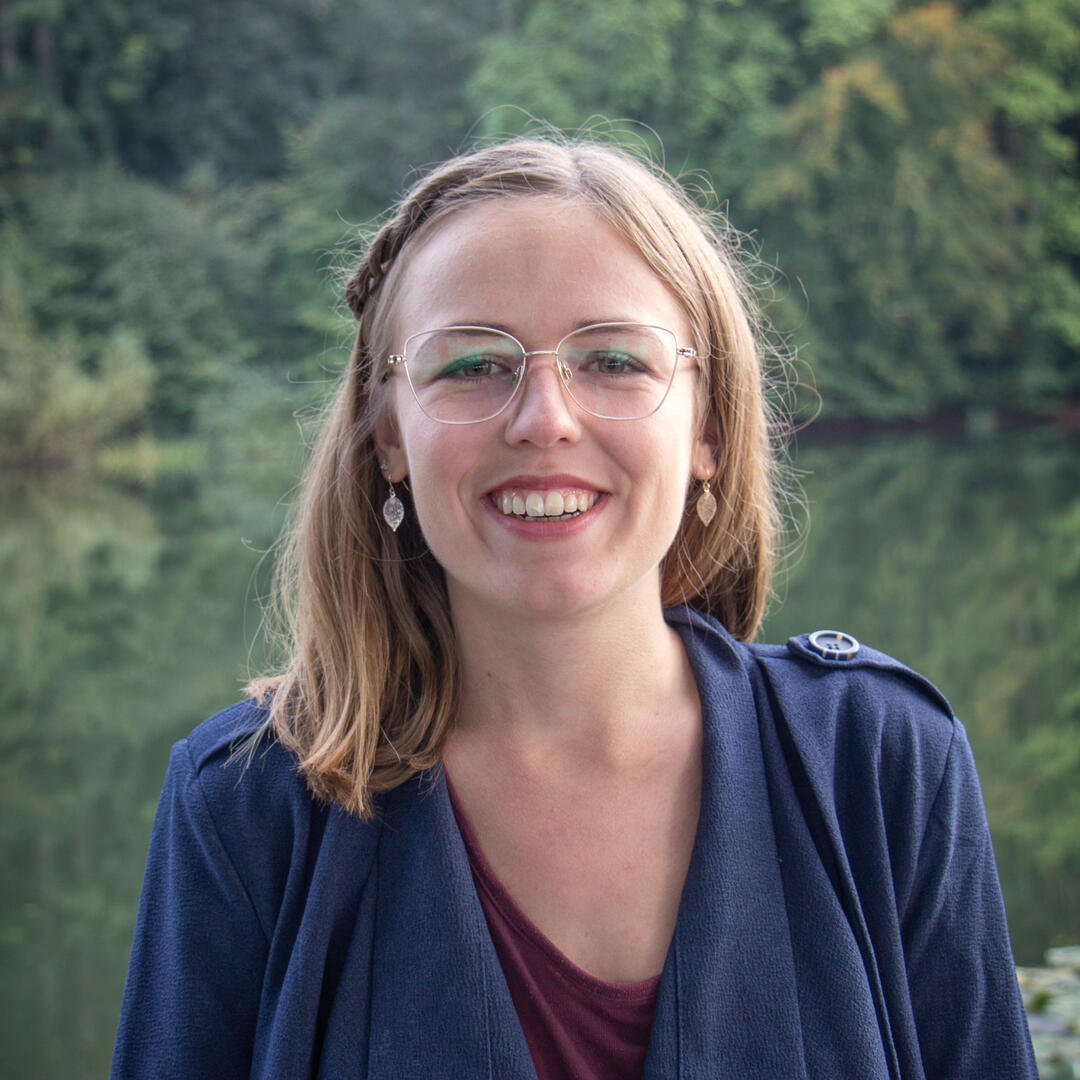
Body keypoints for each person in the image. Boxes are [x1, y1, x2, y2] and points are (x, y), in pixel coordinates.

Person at [110, 136, 1037, 1079]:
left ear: (709, 425)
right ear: (387, 432)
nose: (544, 419)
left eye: (615, 360)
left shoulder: (880, 763)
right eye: (472, 365)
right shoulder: (246, 807)